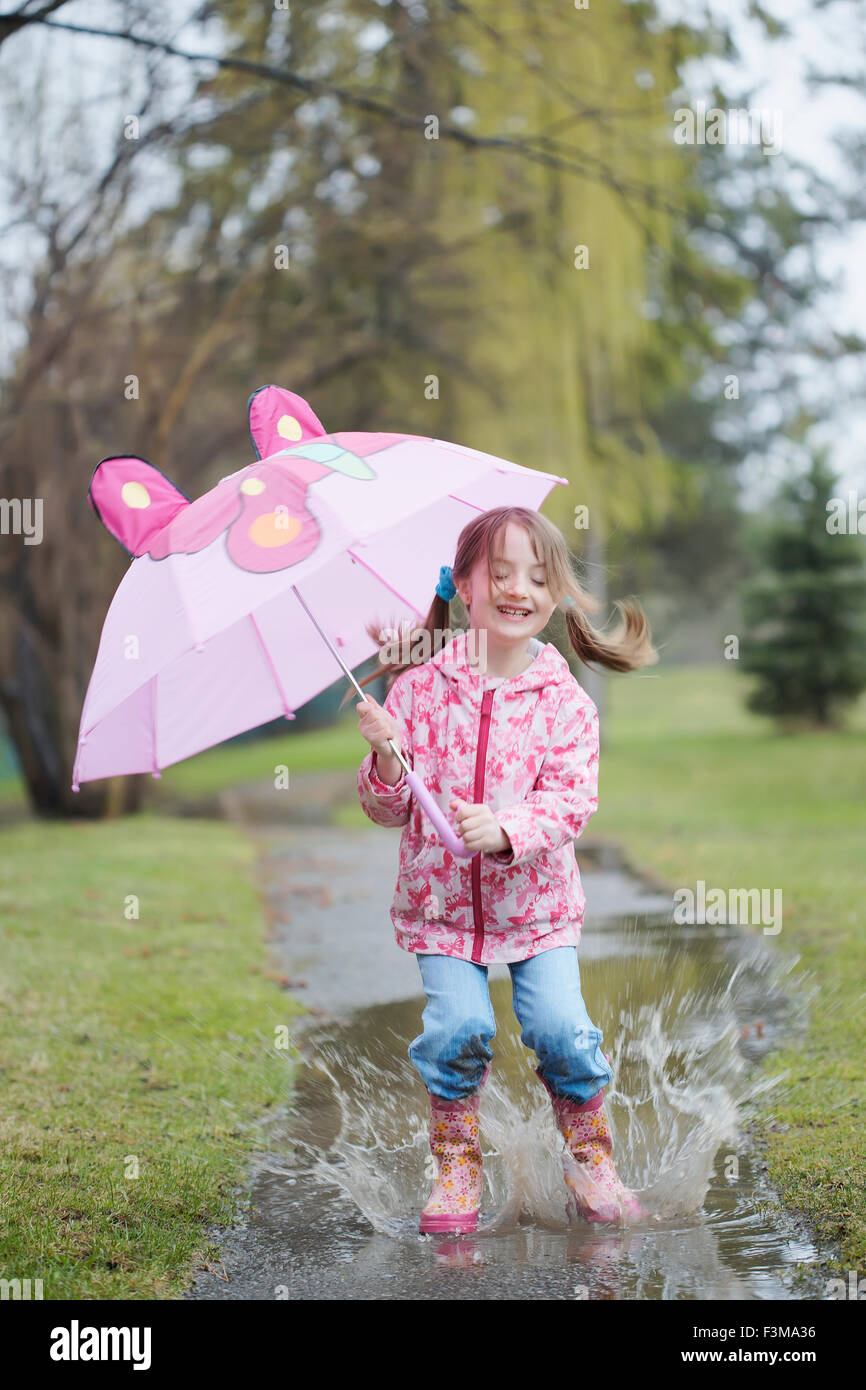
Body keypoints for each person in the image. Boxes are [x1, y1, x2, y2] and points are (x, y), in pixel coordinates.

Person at [354, 505, 656, 1234]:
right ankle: (457, 1161)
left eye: (537, 574)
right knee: (457, 1027)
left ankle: (589, 1152)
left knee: (559, 1028)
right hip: (442, 911)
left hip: (540, 909)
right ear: (463, 583)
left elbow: (570, 802)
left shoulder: (566, 705)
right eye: (500, 572)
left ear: (554, 592)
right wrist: (388, 756)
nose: (519, 587)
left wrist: (507, 829)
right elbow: (387, 810)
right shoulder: (418, 692)